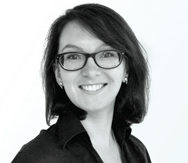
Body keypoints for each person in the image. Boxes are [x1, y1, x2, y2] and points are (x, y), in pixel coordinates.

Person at [12, 3, 151, 163]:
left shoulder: (137, 152)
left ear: (126, 68)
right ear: (58, 74)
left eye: (106, 54)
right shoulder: (37, 158)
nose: (90, 71)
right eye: (73, 56)